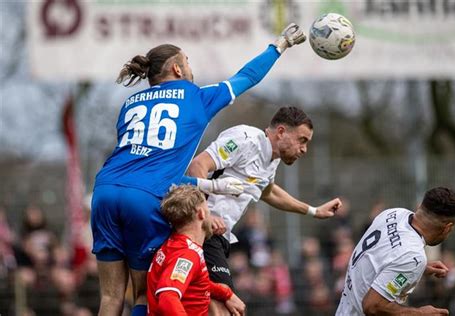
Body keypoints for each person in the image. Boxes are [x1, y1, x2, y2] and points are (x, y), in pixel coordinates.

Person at [90, 23, 306, 315]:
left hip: (103, 191)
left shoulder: (130, 103)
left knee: (111, 298)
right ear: (178, 69)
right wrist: (278, 46)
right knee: (142, 294)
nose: (191, 68)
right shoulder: (195, 96)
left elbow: (138, 158)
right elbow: (247, 77)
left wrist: (211, 186)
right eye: (187, 61)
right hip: (144, 197)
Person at [187, 106, 343, 314]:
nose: (304, 149)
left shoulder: (271, 159)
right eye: (302, 140)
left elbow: (268, 192)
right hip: (203, 231)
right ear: (281, 132)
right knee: (224, 306)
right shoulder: (245, 139)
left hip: (219, 235)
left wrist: (313, 211)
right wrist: (206, 214)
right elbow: (197, 166)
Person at [335, 187, 455, 315]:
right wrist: (420, 313)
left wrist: (418, 270)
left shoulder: (393, 214)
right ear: (448, 227)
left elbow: (379, 259)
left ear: (421, 206)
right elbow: (372, 306)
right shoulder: (413, 256)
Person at [147, 185, 245, 316]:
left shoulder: (176, 245)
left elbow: (196, 282)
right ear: (201, 213)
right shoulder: (187, 255)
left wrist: (226, 294)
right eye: (209, 210)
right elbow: (167, 297)